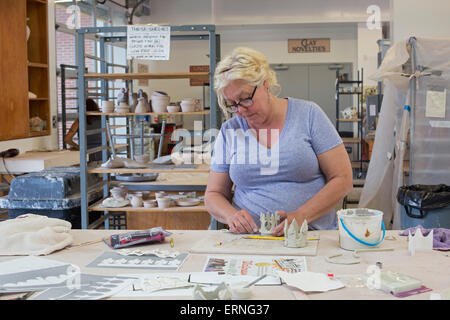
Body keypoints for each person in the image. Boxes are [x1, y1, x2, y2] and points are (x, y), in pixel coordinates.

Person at [205, 47, 353, 235]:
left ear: (265, 85)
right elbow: (213, 195)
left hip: (311, 233)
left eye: (245, 99)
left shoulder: (308, 115)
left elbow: (343, 179)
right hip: (251, 239)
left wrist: (302, 215)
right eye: (232, 104)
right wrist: (231, 216)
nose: (240, 110)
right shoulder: (230, 130)